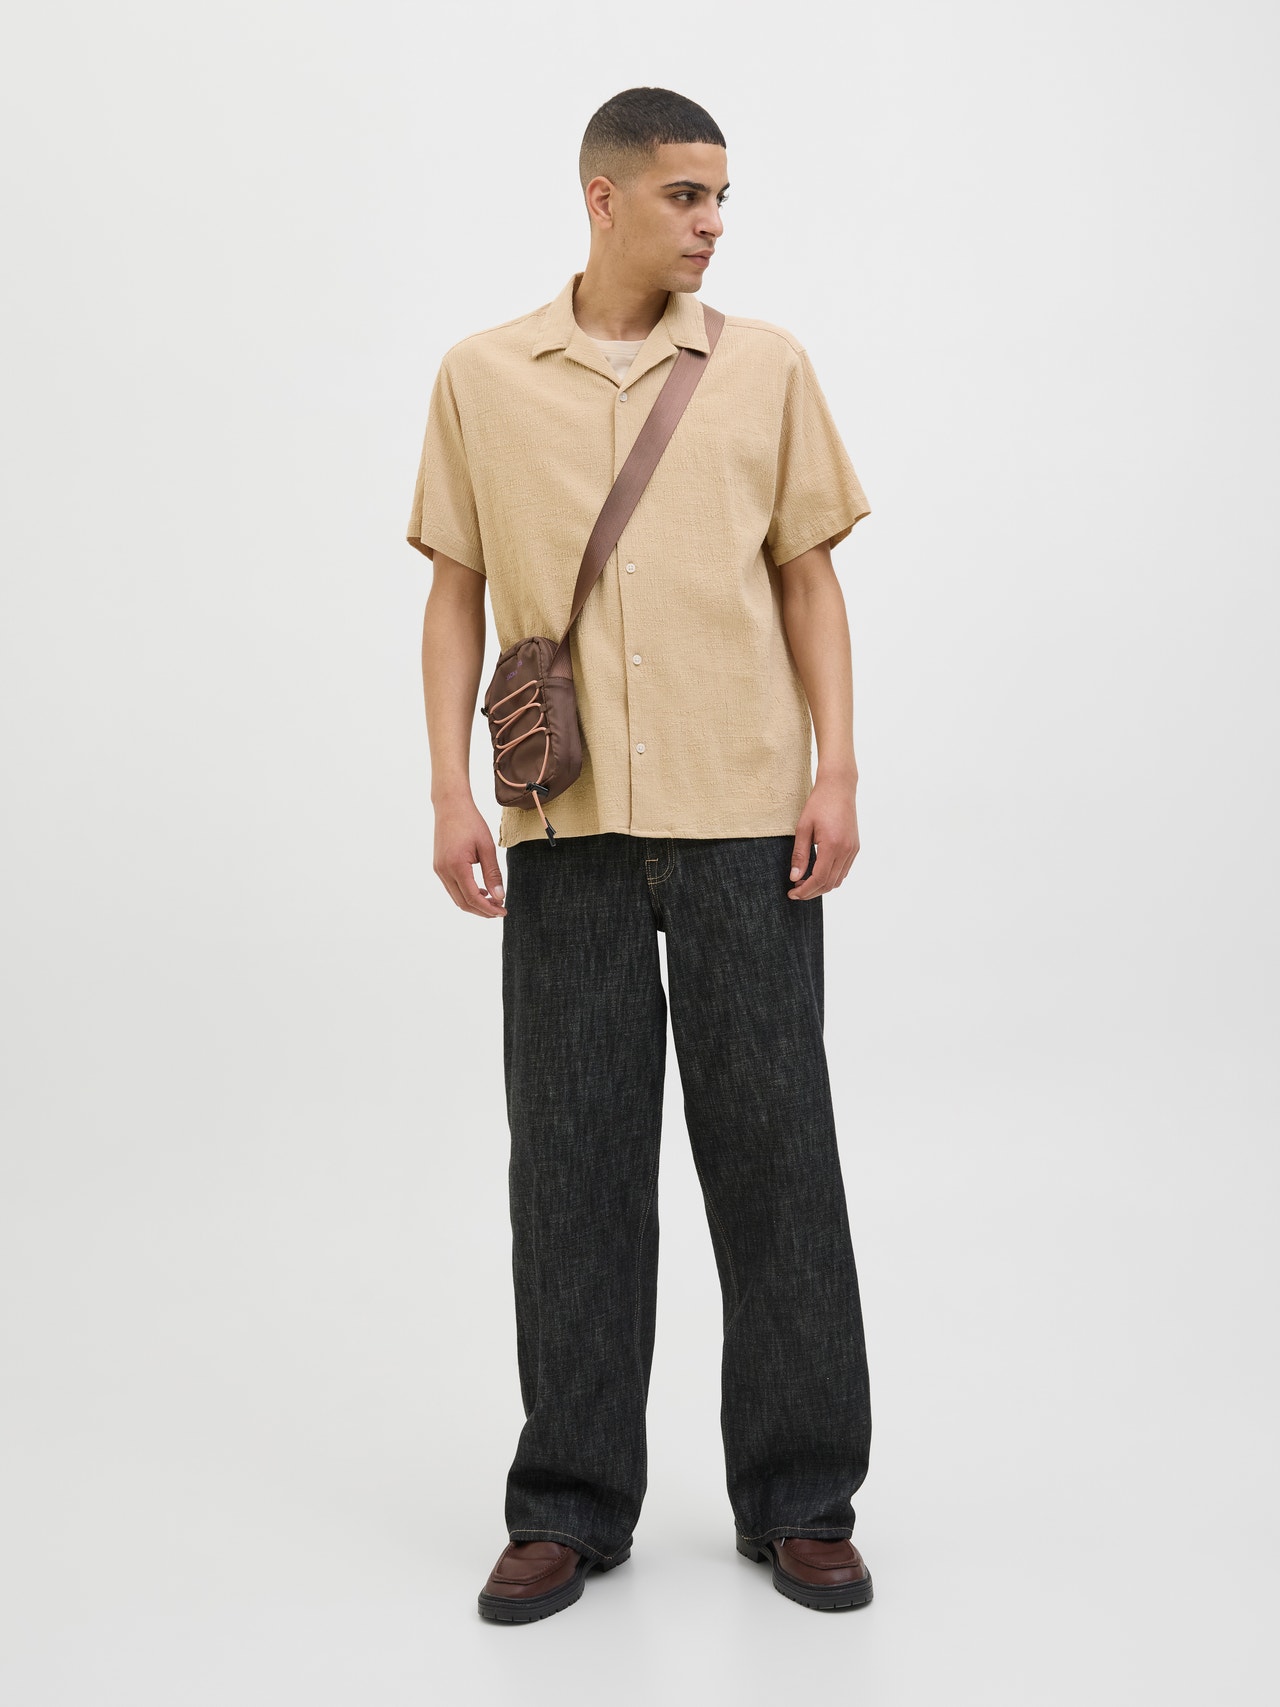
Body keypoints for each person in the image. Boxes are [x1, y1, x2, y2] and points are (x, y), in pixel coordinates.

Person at [407, 86, 875, 1623]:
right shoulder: (482, 376)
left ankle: (802, 1500)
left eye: (723, 195)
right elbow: (454, 593)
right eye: (687, 194)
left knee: (778, 1162)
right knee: (572, 1171)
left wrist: (837, 770)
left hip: (747, 819)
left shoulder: (767, 369)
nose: (714, 222)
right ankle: (567, 1504)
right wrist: (446, 792)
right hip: (567, 829)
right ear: (603, 199)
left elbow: (808, 582)